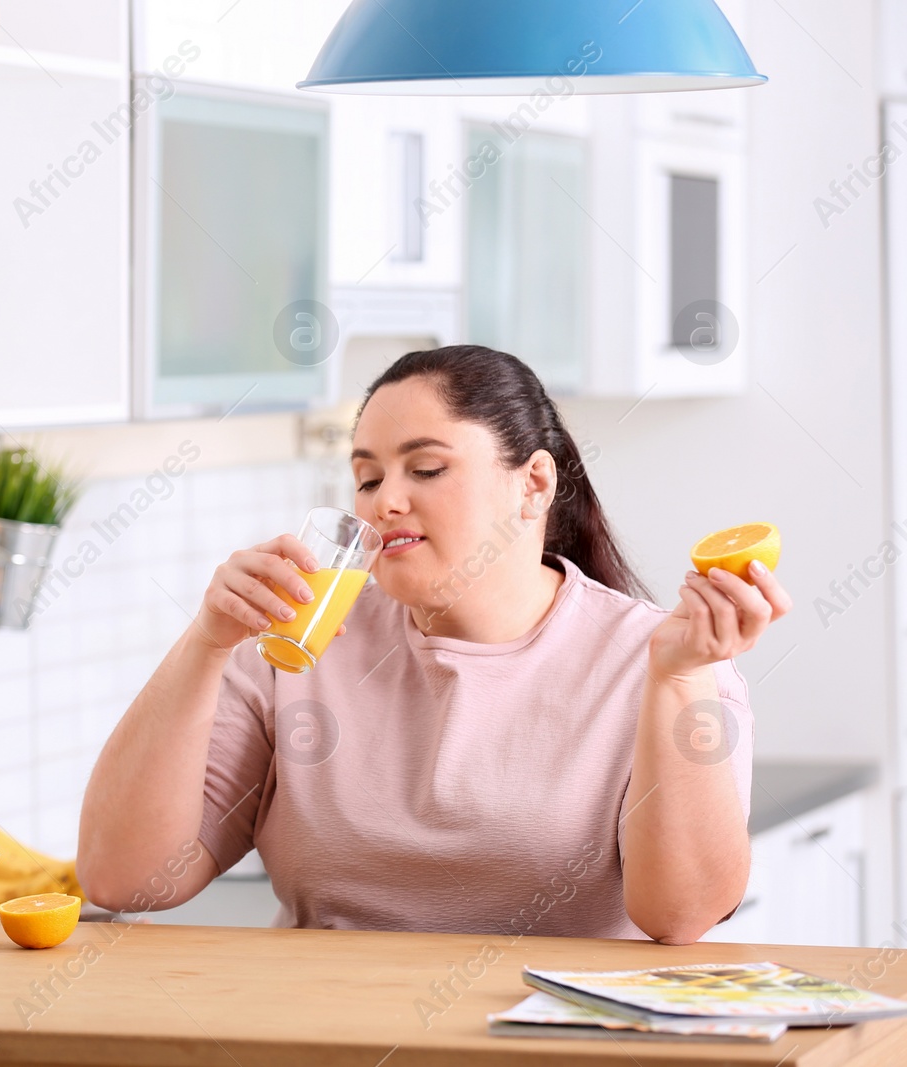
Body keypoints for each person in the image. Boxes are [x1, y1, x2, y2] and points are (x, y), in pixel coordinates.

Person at [77, 345, 792, 944]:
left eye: (425, 469)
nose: (385, 500)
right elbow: (123, 876)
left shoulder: (659, 661)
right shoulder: (300, 645)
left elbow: (682, 915)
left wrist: (681, 679)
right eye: (367, 476)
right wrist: (207, 640)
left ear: (534, 483)